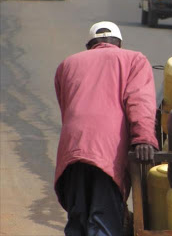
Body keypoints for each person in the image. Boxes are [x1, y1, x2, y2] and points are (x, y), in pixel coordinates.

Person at [54, 21, 158, 235]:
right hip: (107, 152)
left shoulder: (67, 64)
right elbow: (139, 101)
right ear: (118, 43)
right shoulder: (134, 59)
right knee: (104, 219)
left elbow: (66, 107)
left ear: (89, 45)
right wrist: (144, 139)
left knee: (78, 218)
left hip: (72, 148)